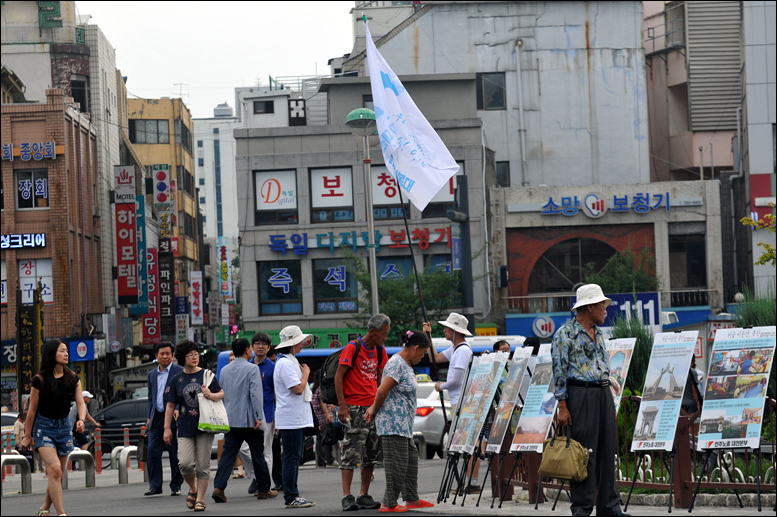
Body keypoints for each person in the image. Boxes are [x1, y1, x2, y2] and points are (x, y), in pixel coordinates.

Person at [552, 284, 629, 517]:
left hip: (602, 394)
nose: (606, 310)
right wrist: (563, 406)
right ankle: (582, 509)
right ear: (588, 307)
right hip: (580, 396)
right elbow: (559, 371)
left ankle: (610, 509)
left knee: (607, 452)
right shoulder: (564, 334)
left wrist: (610, 382)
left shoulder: (600, 333)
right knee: (584, 455)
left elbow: (599, 365)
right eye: (602, 305)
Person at [365, 330, 435, 512]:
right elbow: (381, 391)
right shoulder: (396, 363)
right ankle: (389, 502)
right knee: (397, 463)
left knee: (410, 460)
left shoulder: (405, 363)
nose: (423, 357)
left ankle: (411, 498)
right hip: (392, 423)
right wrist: (373, 410)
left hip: (403, 424)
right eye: (423, 352)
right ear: (416, 348)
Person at [21, 338, 87, 517]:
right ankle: (61, 513)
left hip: (65, 427)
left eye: (66, 351)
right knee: (55, 469)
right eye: (62, 351)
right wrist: (27, 436)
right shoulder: (39, 380)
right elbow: (32, 409)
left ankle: (44, 508)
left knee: (57, 474)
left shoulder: (73, 378)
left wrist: (81, 420)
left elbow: (80, 403)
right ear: (51, 354)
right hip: (44, 428)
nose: (66, 354)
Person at [335, 314, 391, 511]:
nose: (385, 338)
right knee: (350, 452)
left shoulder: (379, 349)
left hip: (372, 408)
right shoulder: (353, 347)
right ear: (372, 332)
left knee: (371, 454)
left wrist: (378, 404)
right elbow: (338, 376)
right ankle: (346, 496)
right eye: (383, 334)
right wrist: (342, 406)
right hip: (354, 408)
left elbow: (380, 377)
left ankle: (363, 495)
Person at [211, 338, 276, 503]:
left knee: (228, 454)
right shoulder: (252, 369)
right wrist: (258, 416)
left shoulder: (224, 370)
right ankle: (264, 489)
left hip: (231, 418)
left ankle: (219, 487)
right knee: (258, 454)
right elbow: (254, 394)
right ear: (247, 350)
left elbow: (222, 393)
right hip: (249, 419)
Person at [164, 340, 223, 512]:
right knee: (185, 464)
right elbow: (169, 405)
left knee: (203, 464)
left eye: (196, 354)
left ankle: (200, 499)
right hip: (184, 426)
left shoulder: (207, 375)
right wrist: (167, 428)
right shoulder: (176, 379)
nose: (194, 357)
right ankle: (193, 487)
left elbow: (221, 393)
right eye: (190, 355)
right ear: (182, 358)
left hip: (205, 425)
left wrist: (210, 394)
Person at [424, 312, 476, 491]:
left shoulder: (462, 351)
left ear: (455, 330)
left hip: (463, 402)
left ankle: (472, 483)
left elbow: (456, 380)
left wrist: (441, 386)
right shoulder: (455, 349)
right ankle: (469, 482)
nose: (444, 330)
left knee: (467, 443)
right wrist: (428, 336)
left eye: (447, 328)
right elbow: (434, 358)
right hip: (458, 402)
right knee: (465, 443)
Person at [273, 326, 316, 508]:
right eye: (299, 341)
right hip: (291, 418)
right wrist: (306, 374)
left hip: (293, 417)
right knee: (291, 458)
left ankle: (293, 494)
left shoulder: (287, 361)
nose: (301, 344)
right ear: (291, 344)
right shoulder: (285, 363)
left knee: (293, 457)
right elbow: (297, 389)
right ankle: (291, 496)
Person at [239, 331, 277, 495]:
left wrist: (278, 418)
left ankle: (264, 485)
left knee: (265, 451)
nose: (260, 347)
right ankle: (257, 477)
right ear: (251, 347)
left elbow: (277, 394)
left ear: (268, 348)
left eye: (264, 344)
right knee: (242, 448)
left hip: (267, 414)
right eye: (257, 344)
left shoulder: (273, 367)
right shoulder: (246, 366)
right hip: (246, 415)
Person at [145, 341, 184, 497]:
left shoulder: (179, 372)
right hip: (157, 417)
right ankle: (155, 485)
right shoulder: (152, 375)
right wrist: (149, 416)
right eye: (162, 354)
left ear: (172, 356)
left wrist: (177, 409)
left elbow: (182, 394)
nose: (165, 356)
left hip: (174, 418)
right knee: (152, 452)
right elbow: (150, 398)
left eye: (168, 353)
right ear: (156, 356)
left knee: (174, 453)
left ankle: (176, 485)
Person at [266, 344, 284, 492]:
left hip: (281, 415)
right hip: (271, 415)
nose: (274, 363)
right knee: (273, 450)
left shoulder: (279, 368)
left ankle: (283, 480)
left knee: (279, 451)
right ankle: (277, 480)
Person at [311, 370, 335, 466]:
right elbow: (323, 402)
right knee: (327, 438)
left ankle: (320, 460)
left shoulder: (314, 388)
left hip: (318, 417)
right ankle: (329, 459)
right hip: (323, 416)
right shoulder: (321, 388)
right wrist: (327, 415)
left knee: (320, 439)